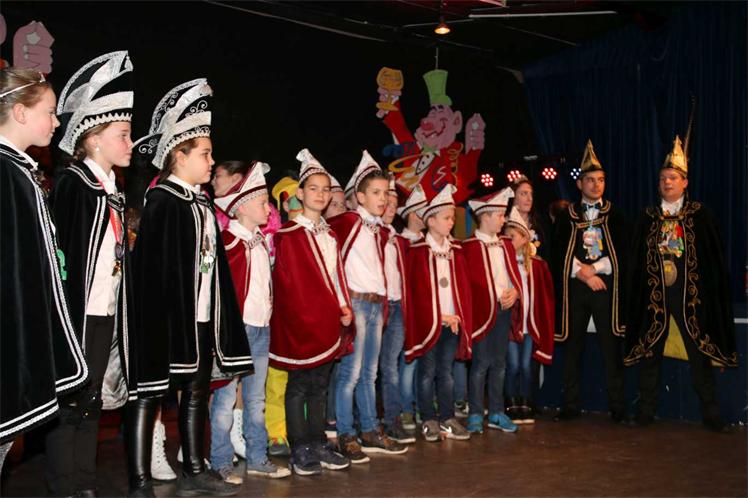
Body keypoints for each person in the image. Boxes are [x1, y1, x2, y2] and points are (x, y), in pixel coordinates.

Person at [127, 78, 252, 497]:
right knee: (150, 395)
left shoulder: (201, 203)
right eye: (205, 154)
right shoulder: (163, 200)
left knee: (196, 390)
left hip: (200, 316)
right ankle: (140, 480)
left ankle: (195, 467)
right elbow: (153, 270)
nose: (211, 161)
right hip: (165, 320)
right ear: (178, 156)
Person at [46, 50, 136, 497]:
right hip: (77, 314)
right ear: (94, 138)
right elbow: (63, 257)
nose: (130, 144)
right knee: (69, 401)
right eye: (123, 135)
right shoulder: (74, 185)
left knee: (92, 400)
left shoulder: (112, 191)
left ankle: (84, 482)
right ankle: (64, 484)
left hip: (104, 312)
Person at [0, 66, 88, 477]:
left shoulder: (19, 171)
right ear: (20, 113)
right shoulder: (6, 173)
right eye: (49, 112)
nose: (56, 123)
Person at [625, 136, 737, 432]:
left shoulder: (699, 215)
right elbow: (636, 261)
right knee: (650, 355)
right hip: (656, 298)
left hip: (690, 299)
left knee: (699, 355)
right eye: (663, 178)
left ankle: (711, 413)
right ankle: (646, 411)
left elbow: (713, 260)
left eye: (673, 178)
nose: (667, 182)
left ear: (685, 183)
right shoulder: (648, 217)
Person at [269, 149, 352, 475]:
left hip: (328, 321)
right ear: (300, 194)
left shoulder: (329, 234)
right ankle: (300, 447)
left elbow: (335, 275)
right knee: (299, 385)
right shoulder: (288, 235)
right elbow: (289, 287)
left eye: (325, 189)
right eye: (313, 188)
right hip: (301, 325)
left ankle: (318, 443)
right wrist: (304, 318)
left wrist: (344, 305)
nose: (320, 194)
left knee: (320, 385)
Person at [210, 161, 291, 481]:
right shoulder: (227, 242)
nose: (268, 209)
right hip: (237, 330)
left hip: (261, 329)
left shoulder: (260, 242)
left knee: (256, 399)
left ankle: (258, 457)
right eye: (262, 202)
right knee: (225, 398)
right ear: (241, 206)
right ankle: (220, 460)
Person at [329, 150, 407, 459]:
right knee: (351, 373)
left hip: (376, 305)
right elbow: (331, 258)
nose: (383, 198)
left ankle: (370, 429)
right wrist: (341, 302)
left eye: (386, 193)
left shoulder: (381, 230)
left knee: (370, 373)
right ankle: (345, 433)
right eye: (376, 193)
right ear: (360, 197)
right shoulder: (349, 221)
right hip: (357, 302)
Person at [551, 140, 627, 423]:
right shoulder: (567, 216)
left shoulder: (615, 215)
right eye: (591, 180)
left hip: (604, 289)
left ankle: (617, 406)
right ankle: (571, 404)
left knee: (610, 348)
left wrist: (594, 270)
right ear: (579, 183)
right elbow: (558, 253)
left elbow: (622, 254)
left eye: (601, 180)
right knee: (573, 348)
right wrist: (581, 273)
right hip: (575, 289)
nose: (596, 185)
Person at [404, 184, 473, 442]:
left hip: (452, 323)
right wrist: (438, 317)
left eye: (452, 218)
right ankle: (428, 418)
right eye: (446, 218)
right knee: (426, 372)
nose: (451, 222)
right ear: (430, 221)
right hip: (430, 323)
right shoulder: (418, 251)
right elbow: (417, 293)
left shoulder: (456, 251)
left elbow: (461, 289)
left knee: (446, 372)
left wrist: (458, 316)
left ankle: (447, 417)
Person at [463, 187, 520, 434]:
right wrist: (496, 295)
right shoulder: (470, 246)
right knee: (480, 363)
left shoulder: (506, 244)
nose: (503, 219)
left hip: (504, 309)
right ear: (485, 216)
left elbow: (513, 273)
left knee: (500, 362)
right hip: (482, 312)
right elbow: (471, 282)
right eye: (499, 214)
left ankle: (497, 411)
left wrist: (514, 291)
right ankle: (476, 412)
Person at [503, 208, 555, 424]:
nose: (508, 240)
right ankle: (510, 402)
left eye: (513, 236)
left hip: (528, 324)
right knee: (513, 365)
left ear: (525, 238)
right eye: (506, 236)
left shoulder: (535, 265)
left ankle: (525, 402)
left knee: (526, 366)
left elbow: (543, 296)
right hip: (511, 325)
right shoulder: (503, 263)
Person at [378, 178, 415, 444]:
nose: (391, 208)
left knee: (390, 366)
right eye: (386, 203)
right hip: (376, 306)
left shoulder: (397, 239)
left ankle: (392, 420)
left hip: (396, 305)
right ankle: (364, 421)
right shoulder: (372, 233)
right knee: (367, 369)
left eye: (394, 205)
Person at [394, 184, 427, 429]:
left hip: (426, 311)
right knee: (407, 361)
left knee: (424, 361)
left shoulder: (429, 242)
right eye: (423, 210)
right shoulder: (400, 242)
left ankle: (422, 404)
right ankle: (405, 407)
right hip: (406, 310)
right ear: (413, 214)